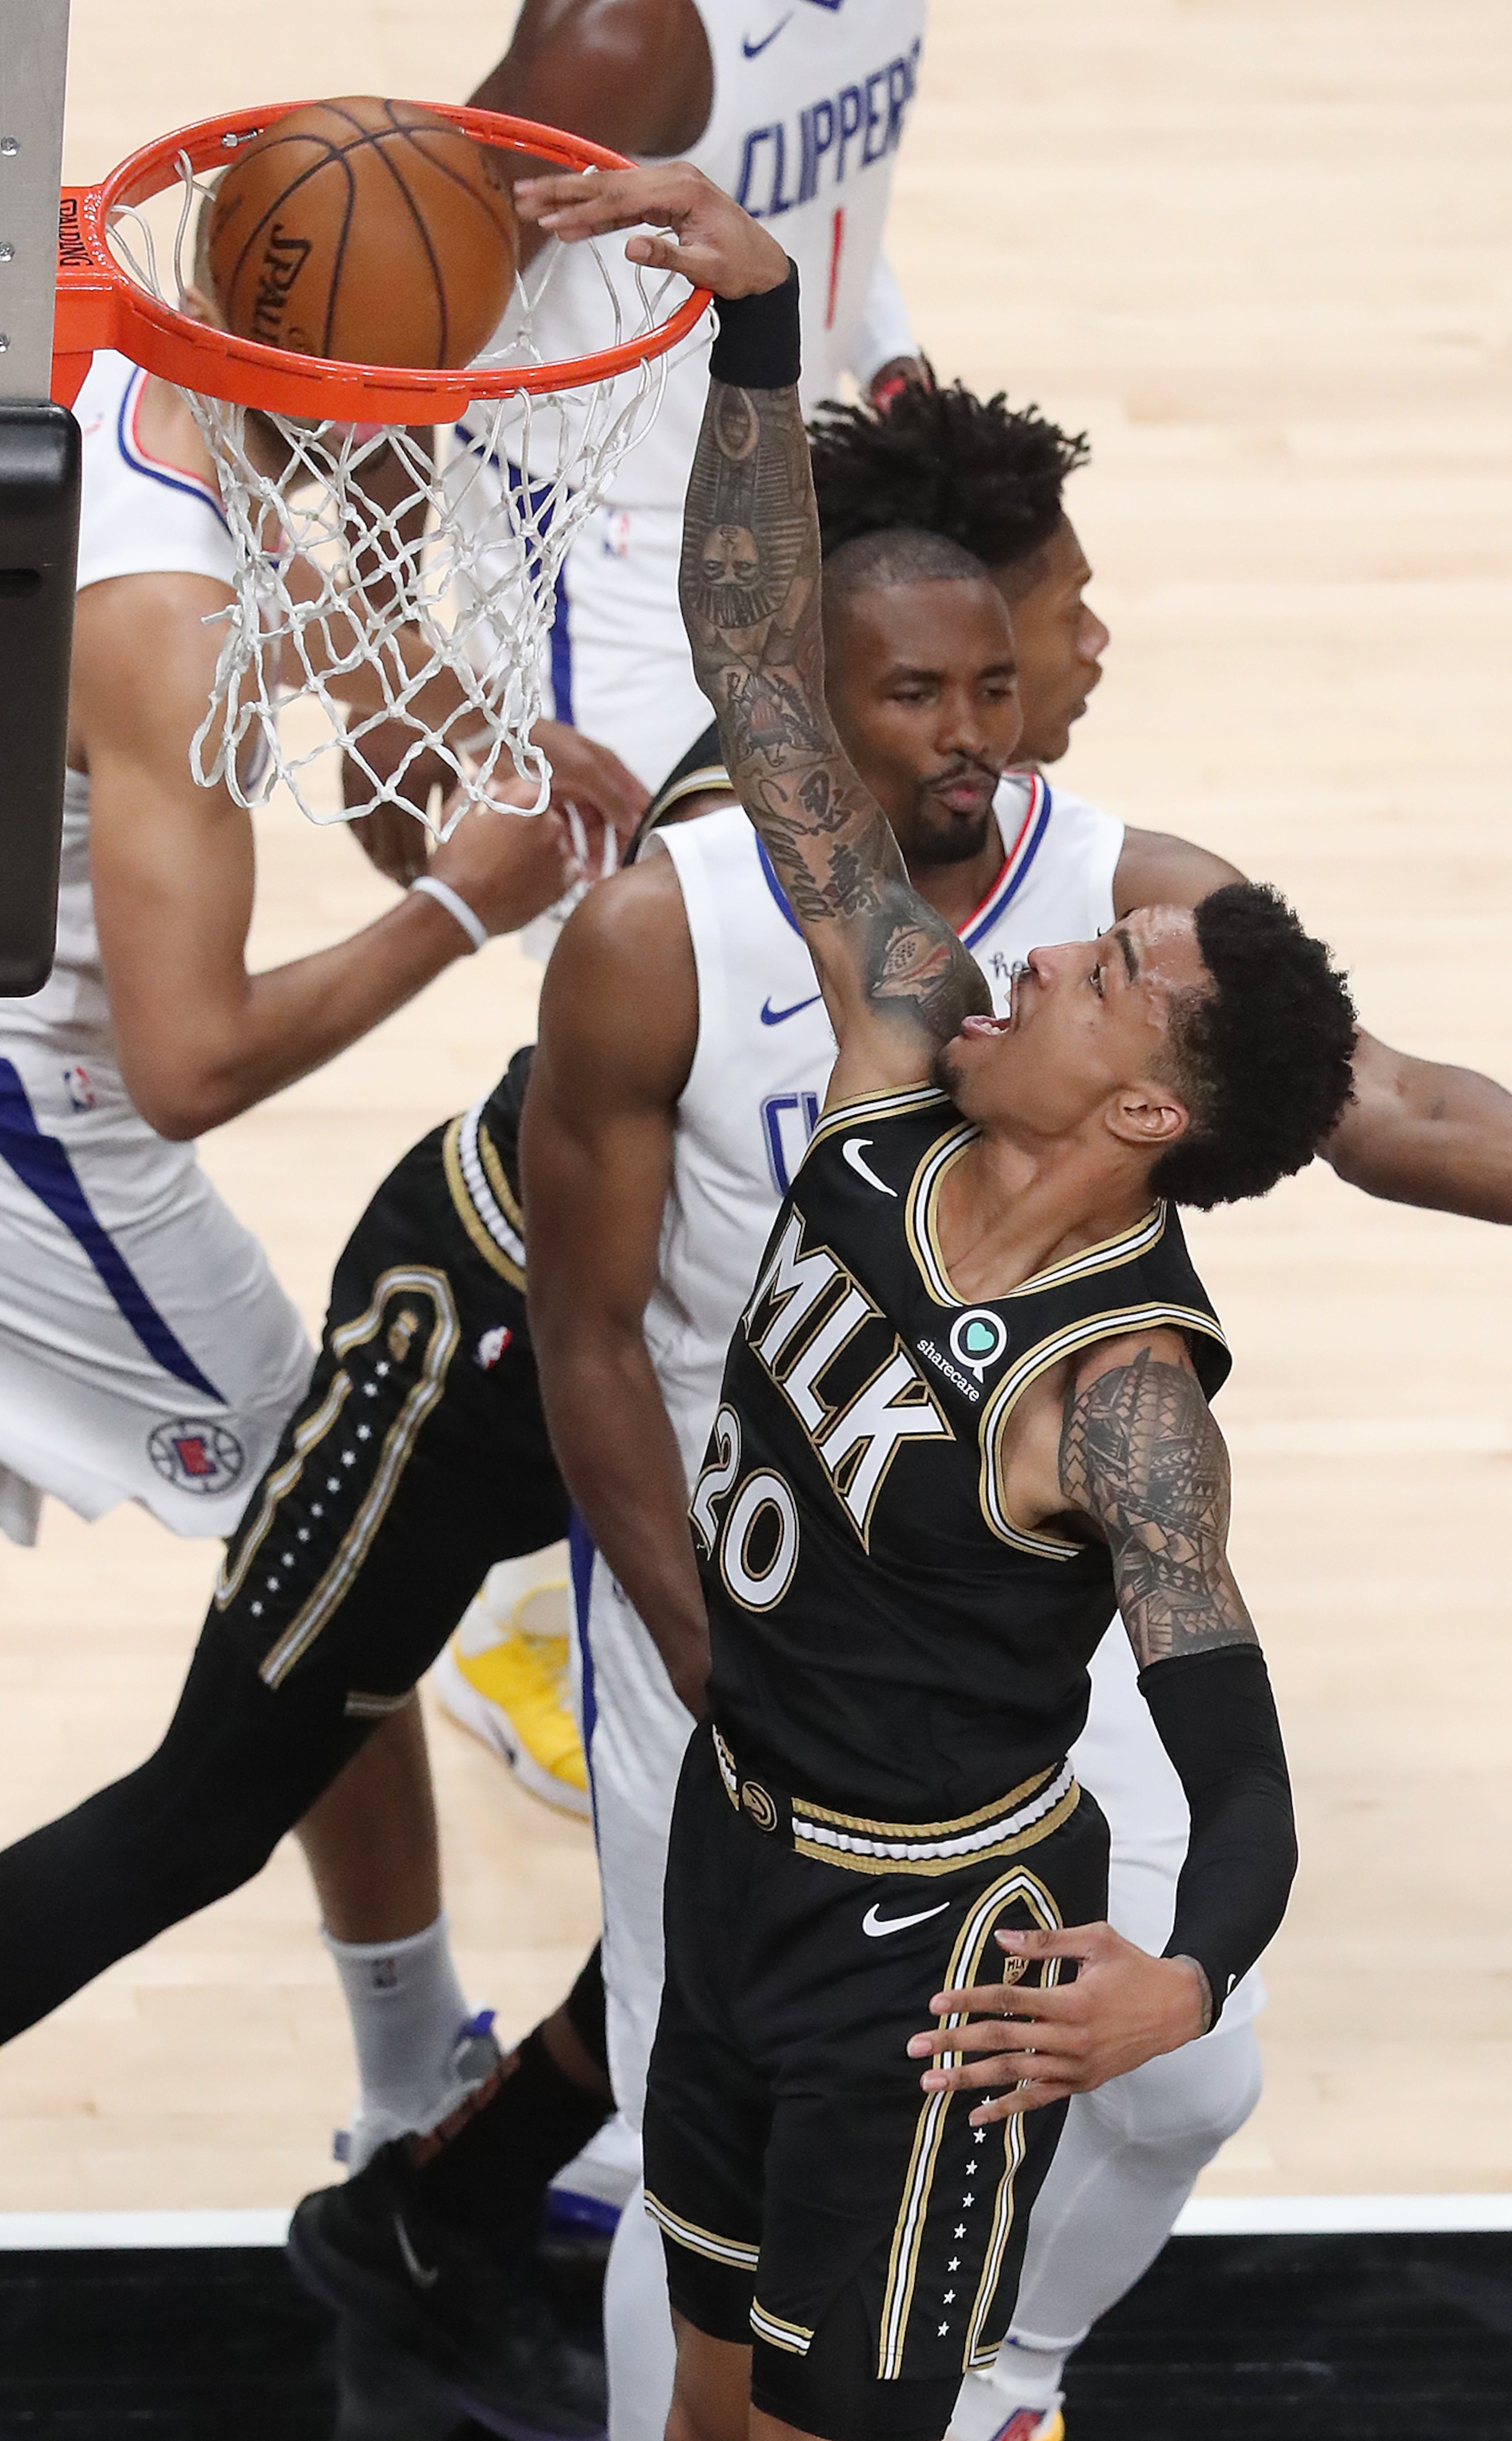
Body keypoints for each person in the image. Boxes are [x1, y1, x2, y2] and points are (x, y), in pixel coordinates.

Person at [517, 215, 1512, 2441]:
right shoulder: (905, 1052)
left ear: (1151, 1100)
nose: (1052, 952)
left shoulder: (1124, 1389)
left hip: (926, 1938)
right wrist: (759, 325)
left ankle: (1018, 2378)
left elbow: (1234, 1729)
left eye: (1109, 972)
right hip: (747, 1807)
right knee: (698, 2376)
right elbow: (754, 667)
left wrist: (1184, 1974)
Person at [0, 337, 641, 2216]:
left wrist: (449, 707)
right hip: (1, 1118)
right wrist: (457, 903)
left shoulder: (114, 383)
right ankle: (413, 2079)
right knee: (339, 1552)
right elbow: (194, 1066)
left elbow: (282, 602)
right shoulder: (170, 629)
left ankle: (412, 2055)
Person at [412, 0, 931, 1801]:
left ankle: (745, 1505)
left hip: (793, 494)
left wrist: (891, 377)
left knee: (800, 1091)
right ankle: (528, 1621)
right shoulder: (624, 36)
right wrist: (423, 664)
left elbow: (840, 211)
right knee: (688, 1124)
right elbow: (398, 305)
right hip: (620, 603)